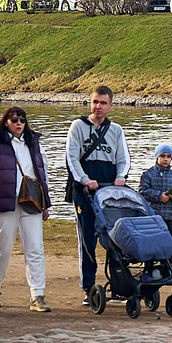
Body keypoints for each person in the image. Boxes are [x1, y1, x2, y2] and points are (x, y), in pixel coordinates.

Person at [0, 106, 53, 312]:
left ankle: (37, 294)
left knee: (35, 248)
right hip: (5, 203)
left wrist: (45, 204)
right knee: (2, 247)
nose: (19, 123)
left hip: (31, 202)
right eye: (14, 120)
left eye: (22, 119)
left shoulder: (34, 145)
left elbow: (43, 175)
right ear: (6, 122)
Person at [63, 88, 130, 301]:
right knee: (87, 239)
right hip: (84, 192)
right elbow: (71, 158)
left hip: (109, 191)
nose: (98, 106)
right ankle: (88, 286)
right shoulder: (78, 126)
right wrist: (84, 180)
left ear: (110, 106)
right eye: (94, 102)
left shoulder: (116, 130)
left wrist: (120, 178)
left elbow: (123, 159)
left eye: (102, 103)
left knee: (114, 237)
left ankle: (119, 283)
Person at [137, 145, 172, 229]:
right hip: (152, 215)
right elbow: (142, 191)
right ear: (157, 157)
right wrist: (159, 196)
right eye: (163, 156)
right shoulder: (148, 174)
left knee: (169, 240)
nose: (166, 159)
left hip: (169, 216)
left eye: (168, 156)